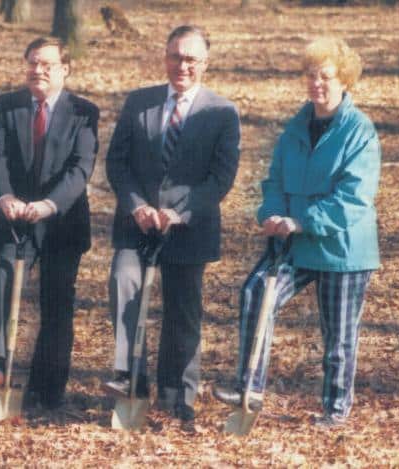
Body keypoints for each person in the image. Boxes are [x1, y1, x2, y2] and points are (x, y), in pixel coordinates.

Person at [213, 37, 381, 428]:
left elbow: (354, 197)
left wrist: (304, 220)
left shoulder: (360, 131)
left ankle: (336, 410)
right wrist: (272, 214)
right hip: (293, 241)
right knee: (256, 291)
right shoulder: (295, 127)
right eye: (310, 75)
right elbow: (274, 181)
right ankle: (248, 387)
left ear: (344, 79)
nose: (316, 83)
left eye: (325, 76)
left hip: (342, 248)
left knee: (337, 338)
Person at [104, 25, 241, 422]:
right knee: (123, 280)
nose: (182, 66)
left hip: (189, 226)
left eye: (191, 59)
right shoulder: (138, 102)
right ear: (165, 58)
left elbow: (221, 177)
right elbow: (117, 162)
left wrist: (179, 212)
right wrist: (136, 206)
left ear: (205, 64)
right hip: (138, 224)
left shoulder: (222, 112)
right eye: (175, 57)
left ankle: (176, 391)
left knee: (183, 310)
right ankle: (130, 378)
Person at [0, 37, 99, 410]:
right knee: (1, 281)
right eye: (33, 63)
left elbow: (81, 167)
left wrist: (49, 204)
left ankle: (47, 391)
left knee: (56, 304)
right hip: (13, 217)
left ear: (66, 69)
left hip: (61, 221)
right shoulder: (8, 105)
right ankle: (1, 368)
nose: (39, 70)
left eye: (48, 64)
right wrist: (4, 197)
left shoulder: (84, 111)